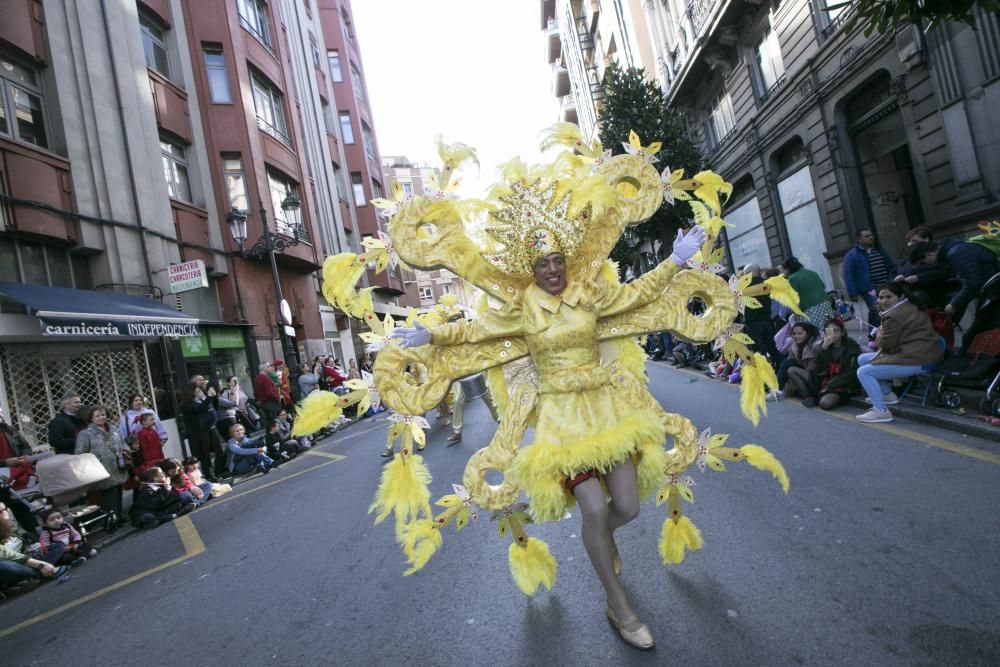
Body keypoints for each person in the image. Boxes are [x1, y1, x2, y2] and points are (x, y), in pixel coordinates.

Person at [390, 224, 709, 650]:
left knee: (628, 507)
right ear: (532, 270)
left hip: (606, 413)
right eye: (544, 263)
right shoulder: (523, 307)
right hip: (561, 421)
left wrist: (677, 258)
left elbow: (639, 293)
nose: (553, 269)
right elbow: (478, 329)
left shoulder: (588, 294)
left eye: (558, 260)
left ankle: (601, 541)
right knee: (594, 508)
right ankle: (620, 605)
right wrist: (432, 335)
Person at [855, 283, 944, 423]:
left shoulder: (894, 315)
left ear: (900, 296)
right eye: (881, 297)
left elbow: (885, 344)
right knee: (862, 359)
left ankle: (881, 411)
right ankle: (887, 395)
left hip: (917, 359)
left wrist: (879, 333)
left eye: (889, 297)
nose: (884, 301)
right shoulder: (908, 306)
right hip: (919, 353)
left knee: (863, 372)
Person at [908, 238, 999, 324]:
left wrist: (954, 304)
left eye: (923, 263)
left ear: (928, 254)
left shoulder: (955, 254)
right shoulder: (951, 252)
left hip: (994, 290)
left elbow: (972, 282)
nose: (926, 265)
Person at [788, 319, 861, 410]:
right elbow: (818, 368)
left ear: (842, 333)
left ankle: (818, 398)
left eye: (836, 330)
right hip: (823, 379)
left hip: (840, 383)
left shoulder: (851, 346)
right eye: (830, 331)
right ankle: (809, 397)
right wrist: (823, 349)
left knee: (825, 403)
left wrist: (830, 385)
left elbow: (850, 373)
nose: (833, 334)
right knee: (792, 370)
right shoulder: (823, 345)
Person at [74, 405, 129, 517]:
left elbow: (123, 444)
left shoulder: (114, 429)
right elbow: (80, 453)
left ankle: (118, 518)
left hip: (118, 467)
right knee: (109, 496)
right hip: (102, 469)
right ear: (91, 418)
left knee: (118, 492)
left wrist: (125, 451)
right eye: (97, 416)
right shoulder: (85, 434)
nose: (101, 417)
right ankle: (111, 522)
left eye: (103, 414)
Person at [842, 229, 895, 330]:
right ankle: (873, 335)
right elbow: (848, 274)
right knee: (876, 309)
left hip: (885, 285)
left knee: (888, 309)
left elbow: (890, 266)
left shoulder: (879, 249)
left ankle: (887, 331)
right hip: (870, 289)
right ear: (859, 239)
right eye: (867, 236)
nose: (871, 237)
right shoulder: (852, 255)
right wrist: (852, 292)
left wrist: (892, 279)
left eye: (871, 235)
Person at [0, 517, 68, 593]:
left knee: (57, 546)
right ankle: (41, 573)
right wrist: (41, 565)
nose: (4, 512)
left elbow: (22, 548)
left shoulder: (11, 529)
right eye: (1, 511)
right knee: (4, 565)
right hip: (14, 563)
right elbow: (11, 555)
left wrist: (35, 549)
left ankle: (31, 578)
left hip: (24, 558)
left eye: (5, 509)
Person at [180, 382, 223, 482]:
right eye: (196, 389)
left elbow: (214, 406)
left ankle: (219, 471)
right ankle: (209, 475)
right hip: (199, 432)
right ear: (190, 391)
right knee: (205, 455)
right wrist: (208, 397)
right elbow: (201, 408)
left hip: (210, 428)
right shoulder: (186, 405)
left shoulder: (200, 399)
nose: (199, 390)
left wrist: (213, 396)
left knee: (219, 450)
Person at [129, 467, 195, 530]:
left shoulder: (160, 485)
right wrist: (167, 488)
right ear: (155, 478)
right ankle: (175, 515)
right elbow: (156, 503)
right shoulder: (146, 490)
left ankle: (162, 519)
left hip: (161, 510)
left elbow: (173, 498)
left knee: (182, 501)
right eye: (161, 474)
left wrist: (169, 488)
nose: (164, 474)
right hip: (150, 511)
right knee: (147, 516)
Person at [740, 264, 781, 365]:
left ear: (749, 273)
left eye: (745, 273)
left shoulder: (743, 286)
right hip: (767, 319)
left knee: (758, 350)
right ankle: (780, 367)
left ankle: (766, 373)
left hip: (752, 322)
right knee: (772, 346)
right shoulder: (767, 283)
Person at [771, 321, 821, 400]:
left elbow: (814, 368)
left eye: (800, 333)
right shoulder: (794, 346)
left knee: (791, 369)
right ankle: (780, 389)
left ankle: (778, 390)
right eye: (794, 334)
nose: (796, 336)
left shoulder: (815, 346)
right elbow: (788, 363)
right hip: (804, 373)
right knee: (788, 364)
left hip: (816, 377)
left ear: (807, 334)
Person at [783, 257, 834, 328]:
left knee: (813, 333)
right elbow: (823, 286)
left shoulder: (792, 279)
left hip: (809, 310)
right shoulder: (812, 273)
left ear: (787, 268)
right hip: (825, 305)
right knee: (829, 328)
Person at [130, 412, 166, 480]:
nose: (154, 421)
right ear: (144, 422)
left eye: (154, 419)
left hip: (159, 457)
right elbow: (144, 448)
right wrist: (148, 461)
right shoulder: (142, 434)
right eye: (151, 420)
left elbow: (158, 447)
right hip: (150, 460)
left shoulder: (154, 431)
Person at [218, 376, 248, 440]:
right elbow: (232, 404)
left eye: (237, 380)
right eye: (234, 380)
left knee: (244, 434)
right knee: (238, 436)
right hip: (235, 415)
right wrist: (235, 392)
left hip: (243, 413)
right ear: (229, 383)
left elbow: (245, 399)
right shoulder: (226, 393)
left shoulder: (239, 390)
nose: (236, 382)